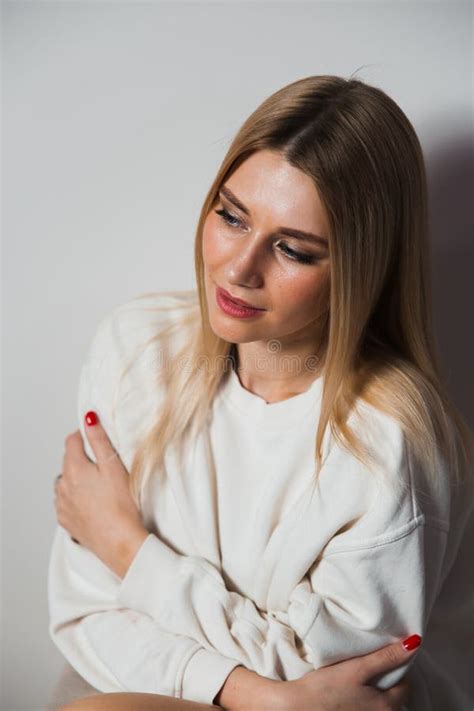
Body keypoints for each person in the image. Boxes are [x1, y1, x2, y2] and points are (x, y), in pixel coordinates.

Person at [48, 75, 474, 711]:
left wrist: (126, 549)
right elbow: (83, 618)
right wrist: (263, 697)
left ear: (363, 268)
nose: (238, 269)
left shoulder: (390, 448)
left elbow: (340, 688)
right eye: (230, 216)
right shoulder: (136, 350)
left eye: (293, 250)